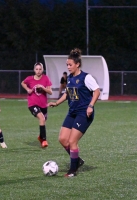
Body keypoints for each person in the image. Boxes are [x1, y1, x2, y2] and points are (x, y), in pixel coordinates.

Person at [48, 48, 100, 177]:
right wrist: (56, 102)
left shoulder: (86, 77)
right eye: (67, 64)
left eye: (70, 64)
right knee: (62, 139)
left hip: (84, 113)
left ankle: (73, 170)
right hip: (72, 112)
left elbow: (97, 91)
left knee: (72, 141)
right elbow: (67, 94)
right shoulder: (70, 78)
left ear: (77, 64)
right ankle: (77, 160)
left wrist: (90, 106)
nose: (68, 67)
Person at [21, 62, 53, 148]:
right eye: (37, 69)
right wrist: (28, 89)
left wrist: (43, 88)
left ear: (42, 70)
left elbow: (50, 92)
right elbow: (23, 83)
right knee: (42, 118)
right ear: (34, 70)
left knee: (43, 120)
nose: (38, 71)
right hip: (32, 104)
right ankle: (44, 140)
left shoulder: (46, 78)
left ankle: (40, 137)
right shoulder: (30, 79)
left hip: (43, 105)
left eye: (40, 69)